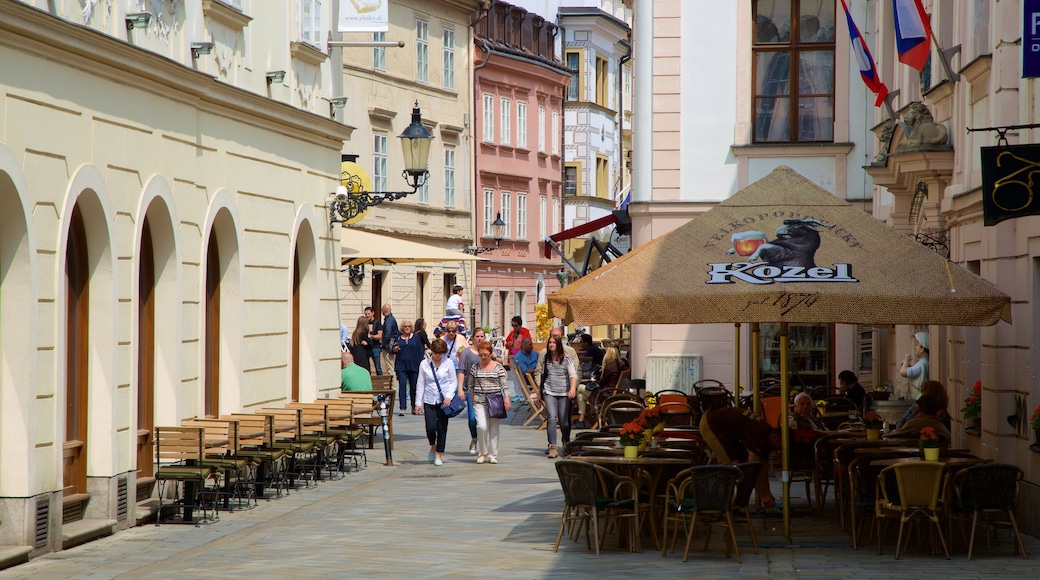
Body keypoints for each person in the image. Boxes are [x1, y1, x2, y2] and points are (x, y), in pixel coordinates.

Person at [699, 406, 781, 510]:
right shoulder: (761, 435)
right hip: (711, 424)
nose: (779, 451)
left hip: (728, 430)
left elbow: (762, 467)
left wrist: (768, 493)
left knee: (742, 464)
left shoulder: (768, 436)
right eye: (780, 446)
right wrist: (764, 496)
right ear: (775, 437)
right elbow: (751, 471)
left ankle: (736, 502)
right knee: (734, 466)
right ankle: (728, 503)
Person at [414, 338, 459, 466]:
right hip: (429, 399)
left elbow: (453, 381)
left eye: (441, 353)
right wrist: (418, 403)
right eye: (436, 353)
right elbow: (420, 383)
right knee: (430, 427)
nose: (438, 356)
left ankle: (439, 454)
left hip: (444, 400)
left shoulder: (448, 363)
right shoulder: (424, 364)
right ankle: (432, 445)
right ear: (431, 351)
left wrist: (449, 396)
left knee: (442, 428)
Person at [468, 341, 510, 464]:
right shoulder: (474, 367)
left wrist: (506, 399)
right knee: (481, 426)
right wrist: (471, 398)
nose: (483, 357)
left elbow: (504, 385)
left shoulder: (498, 367)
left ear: (491, 353)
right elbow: (470, 384)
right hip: (479, 401)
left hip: (495, 401)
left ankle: (492, 454)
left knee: (494, 428)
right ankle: (483, 452)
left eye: (486, 354)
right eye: (481, 355)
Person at [542, 334, 577, 459]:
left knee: (563, 422)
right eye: (550, 342)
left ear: (558, 345)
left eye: (554, 343)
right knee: (551, 417)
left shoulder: (566, 358)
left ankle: (566, 441)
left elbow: (573, 375)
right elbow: (543, 374)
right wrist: (542, 392)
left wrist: (572, 389)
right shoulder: (546, 357)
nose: (551, 345)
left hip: (564, 392)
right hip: (549, 391)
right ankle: (553, 447)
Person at [457, 327, 490, 455]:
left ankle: (484, 443)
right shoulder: (467, 352)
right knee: (472, 418)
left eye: (482, 336)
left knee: (486, 419)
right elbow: (461, 370)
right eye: (477, 336)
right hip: (471, 389)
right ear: (473, 338)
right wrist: (460, 388)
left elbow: (499, 361)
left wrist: (492, 357)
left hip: (487, 389)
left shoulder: (488, 350)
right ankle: (475, 438)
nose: (480, 339)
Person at [887, 394, 951, 445]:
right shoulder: (942, 427)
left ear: (919, 409)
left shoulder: (912, 424)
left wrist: (887, 433)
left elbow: (895, 434)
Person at [393, 320, 425, 416]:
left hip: (414, 365)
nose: (407, 328)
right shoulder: (398, 337)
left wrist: (420, 364)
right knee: (402, 385)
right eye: (405, 326)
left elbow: (421, 350)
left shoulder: (416, 337)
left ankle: (414, 407)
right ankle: (402, 407)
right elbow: (392, 347)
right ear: (402, 328)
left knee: (414, 387)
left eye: (409, 326)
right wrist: (394, 349)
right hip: (401, 365)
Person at [898, 331, 929, 400]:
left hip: (919, 398)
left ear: (922, 349)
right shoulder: (925, 362)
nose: (915, 347)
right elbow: (914, 372)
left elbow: (903, 372)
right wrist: (908, 365)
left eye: (917, 345)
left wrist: (906, 360)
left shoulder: (921, 364)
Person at [511, 336, 539, 402]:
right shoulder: (519, 357)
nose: (532, 346)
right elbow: (526, 371)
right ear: (523, 346)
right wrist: (537, 370)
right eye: (530, 344)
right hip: (529, 378)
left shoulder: (535, 353)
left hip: (537, 374)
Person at [380, 304, 400, 381]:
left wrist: (384, 343)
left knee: (390, 368)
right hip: (391, 345)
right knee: (390, 367)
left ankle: (393, 388)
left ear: (383, 311)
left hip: (388, 346)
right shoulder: (391, 319)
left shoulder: (388, 320)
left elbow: (388, 333)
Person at [364, 306, 384, 375]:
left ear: (373, 313)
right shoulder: (364, 323)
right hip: (366, 348)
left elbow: (380, 336)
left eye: (368, 314)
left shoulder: (377, 322)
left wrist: (371, 336)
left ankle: (381, 384)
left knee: (378, 368)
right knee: (366, 368)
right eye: (366, 314)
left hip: (375, 347)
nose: (367, 316)